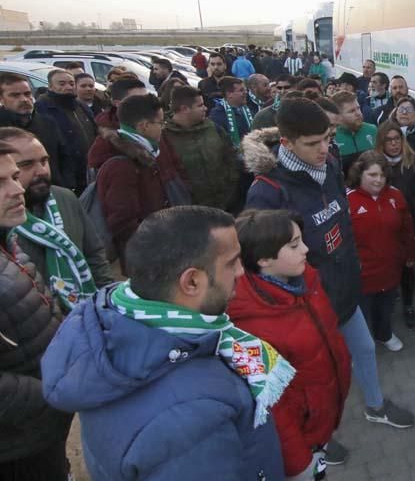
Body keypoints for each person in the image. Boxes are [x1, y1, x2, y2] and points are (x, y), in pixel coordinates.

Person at [41, 206, 290, 481]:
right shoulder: (191, 423)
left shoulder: (114, 320)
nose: (242, 271)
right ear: (192, 281)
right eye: (232, 263)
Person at [242, 98, 415, 432]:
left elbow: (342, 224)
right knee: (313, 377)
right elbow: (262, 271)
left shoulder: (331, 162)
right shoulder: (267, 192)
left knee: (364, 349)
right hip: (305, 307)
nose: (324, 149)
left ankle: (375, 406)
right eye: (312, 143)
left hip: (344, 290)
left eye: (327, 138)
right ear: (286, 143)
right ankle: (314, 437)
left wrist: (353, 268)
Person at [229, 209, 352, 480]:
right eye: (294, 245)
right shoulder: (246, 328)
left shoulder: (304, 278)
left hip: (323, 415)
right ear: (263, 259)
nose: (306, 249)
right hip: (302, 440)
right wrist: (299, 464)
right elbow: (272, 407)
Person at [0, 140, 75, 481]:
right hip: (15, 445)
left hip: (41, 429)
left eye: (14, 177)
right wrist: (52, 394)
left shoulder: (10, 242)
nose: (18, 190)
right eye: (1, 183)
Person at [0, 127, 115, 291]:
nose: (41, 171)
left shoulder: (65, 198)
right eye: (26, 165)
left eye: (44, 161)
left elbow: (94, 253)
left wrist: (106, 296)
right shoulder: (6, 222)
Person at [87, 94, 186, 268]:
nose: (163, 128)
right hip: (145, 255)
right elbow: (123, 223)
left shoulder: (146, 153)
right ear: (144, 126)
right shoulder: (122, 165)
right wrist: (154, 246)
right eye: (160, 123)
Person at [347, 151, 415, 352]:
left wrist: (410, 254)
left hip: (390, 270)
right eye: (373, 175)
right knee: (361, 313)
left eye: (382, 175)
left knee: (386, 307)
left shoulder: (395, 195)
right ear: (360, 174)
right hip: (362, 275)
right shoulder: (347, 200)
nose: (379, 180)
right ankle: (360, 345)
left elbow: (407, 228)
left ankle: (384, 334)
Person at [374, 121, 415, 329]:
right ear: (381, 143)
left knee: (408, 268)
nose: (394, 144)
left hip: (408, 224)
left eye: (397, 139)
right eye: (389, 140)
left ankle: (408, 306)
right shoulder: (375, 164)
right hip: (382, 226)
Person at [164, 86, 240, 211]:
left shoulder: (214, 128)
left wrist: (231, 185)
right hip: (191, 210)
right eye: (200, 105)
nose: (205, 108)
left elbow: (230, 156)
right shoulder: (166, 137)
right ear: (184, 109)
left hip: (226, 204)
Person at [0, 72, 70, 191]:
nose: (24, 99)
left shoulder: (47, 123)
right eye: (15, 95)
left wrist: (68, 185)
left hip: (52, 192)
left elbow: (64, 157)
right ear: (1, 99)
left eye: (27, 94)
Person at [36, 69, 96, 194]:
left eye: (71, 83)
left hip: (87, 171)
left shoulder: (80, 106)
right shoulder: (42, 108)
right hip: (64, 175)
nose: (68, 87)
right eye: (62, 84)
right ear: (51, 86)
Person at [331, 90, 377, 176]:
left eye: (358, 108)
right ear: (338, 115)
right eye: (351, 111)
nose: (358, 113)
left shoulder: (372, 130)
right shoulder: (331, 137)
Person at [209, 76, 253, 148]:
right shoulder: (217, 116)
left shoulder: (247, 109)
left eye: (245, 90)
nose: (246, 93)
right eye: (241, 90)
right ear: (229, 94)